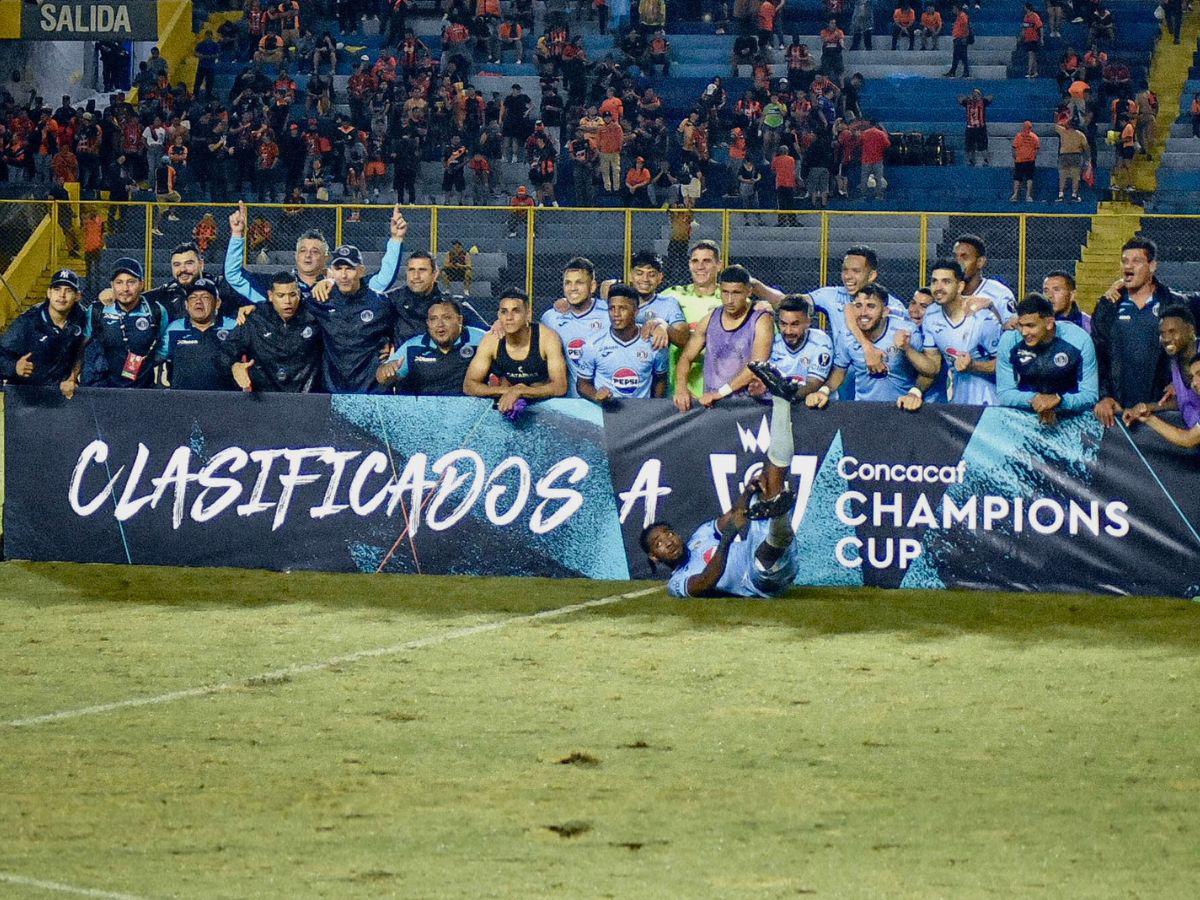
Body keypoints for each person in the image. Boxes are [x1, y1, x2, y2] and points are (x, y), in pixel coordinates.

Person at [641, 388, 801, 598]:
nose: (669, 542)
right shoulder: (677, 583)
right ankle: (779, 520)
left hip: (765, 550)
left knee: (769, 483)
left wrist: (749, 490)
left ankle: (781, 400)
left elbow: (734, 515)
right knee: (762, 560)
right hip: (758, 580)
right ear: (654, 557)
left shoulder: (701, 536)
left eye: (669, 534)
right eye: (659, 543)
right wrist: (727, 539)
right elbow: (706, 582)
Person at [1092, 236, 1200, 426]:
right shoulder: (1107, 307)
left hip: (1163, 409)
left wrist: (1183, 381)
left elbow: (1192, 347)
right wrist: (1104, 396)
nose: (1128, 266)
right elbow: (1098, 355)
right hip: (1118, 408)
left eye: (1136, 261)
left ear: (1152, 266)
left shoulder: (1175, 302)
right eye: (1125, 261)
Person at [224, 201, 406, 305]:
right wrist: (238, 235)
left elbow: (383, 279)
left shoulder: (343, 285)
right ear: (296, 256)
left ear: (326, 258)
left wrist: (396, 240)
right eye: (303, 251)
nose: (307, 255)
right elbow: (234, 275)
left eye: (314, 251)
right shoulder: (277, 286)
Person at [803, 285, 928, 410]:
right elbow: (839, 371)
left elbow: (927, 372)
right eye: (858, 306)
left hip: (902, 409)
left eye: (871, 306)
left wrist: (914, 393)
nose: (863, 312)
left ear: (885, 311)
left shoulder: (907, 332)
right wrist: (823, 391)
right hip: (864, 410)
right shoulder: (847, 335)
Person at [673, 265, 775, 412]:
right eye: (725, 292)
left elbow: (756, 367)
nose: (729, 300)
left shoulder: (761, 320)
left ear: (749, 291)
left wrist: (719, 394)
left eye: (736, 293)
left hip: (747, 407)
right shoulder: (710, 319)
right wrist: (681, 388)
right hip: (712, 405)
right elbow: (686, 357)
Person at [996, 293, 1098, 425]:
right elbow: (1004, 393)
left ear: (1049, 323)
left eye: (1031, 326)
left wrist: (1059, 400)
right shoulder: (1009, 340)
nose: (1024, 332)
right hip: (1024, 419)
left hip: (1071, 419)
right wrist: (1037, 400)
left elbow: (1090, 395)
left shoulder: (1079, 340)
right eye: (1020, 325)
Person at [464, 288, 569, 413]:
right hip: (507, 397)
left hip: (543, 403)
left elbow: (560, 387)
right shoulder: (491, 340)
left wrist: (520, 391)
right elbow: (469, 385)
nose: (509, 317)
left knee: (537, 385)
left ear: (528, 314)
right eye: (504, 312)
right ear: (498, 315)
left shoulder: (547, 338)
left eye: (516, 311)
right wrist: (509, 391)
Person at [915, 259, 1003, 404]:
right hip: (958, 399)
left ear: (960, 286)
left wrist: (973, 366)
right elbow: (933, 365)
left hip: (990, 399)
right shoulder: (930, 316)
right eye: (934, 281)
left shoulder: (983, 318)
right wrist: (915, 391)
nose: (938, 287)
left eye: (946, 282)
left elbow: (1006, 365)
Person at [223, 272, 321, 392]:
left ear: (299, 294)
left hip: (306, 397)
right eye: (281, 295)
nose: (288, 301)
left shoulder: (314, 318)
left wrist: (329, 282)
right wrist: (234, 365)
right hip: (264, 398)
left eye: (292, 295)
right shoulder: (256, 320)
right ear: (270, 295)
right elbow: (224, 352)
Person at [81, 258, 170, 389]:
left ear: (142, 284)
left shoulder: (156, 311)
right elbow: (81, 345)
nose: (125, 288)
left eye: (131, 282)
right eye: (119, 282)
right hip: (102, 390)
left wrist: (147, 362)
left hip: (143, 390)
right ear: (111, 285)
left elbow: (164, 344)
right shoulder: (97, 311)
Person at [0, 269, 87, 398]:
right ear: (49, 293)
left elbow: (83, 351)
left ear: (77, 296)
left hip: (60, 396)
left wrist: (72, 378)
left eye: (68, 290)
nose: (62, 295)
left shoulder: (82, 318)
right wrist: (15, 367)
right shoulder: (28, 322)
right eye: (57, 289)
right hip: (26, 397)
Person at [1122, 307, 1200, 448]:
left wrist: (1149, 418)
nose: (1166, 338)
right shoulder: (1176, 361)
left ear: (1190, 330)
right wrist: (1148, 408)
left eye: (1172, 331)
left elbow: (1189, 440)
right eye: (1162, 333)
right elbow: (1186, 401)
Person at [577, 284, 669, 402]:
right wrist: (596, 395)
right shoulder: (593, 343)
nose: (616, 314)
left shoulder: (654, 343)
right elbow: (582, 384)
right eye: (612, 308)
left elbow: (660, 379)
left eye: (622, 308)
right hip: (605, 414)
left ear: (636, 312)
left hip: (642, 416)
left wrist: (656, 409)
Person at [377, 298, 487, 396]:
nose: (440, 324)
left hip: (467, 413)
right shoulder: (412, 346)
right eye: (433, 319)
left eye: (446, 317)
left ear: (460, 320)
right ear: (428, 323)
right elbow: (382, 377)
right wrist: (385, 372)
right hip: (421, 413)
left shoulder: (481, 340)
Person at [540, 257, 610, 398]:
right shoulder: (550, 318)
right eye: (568, 283)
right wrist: (499, 324)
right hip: (571, 406)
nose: (572, 288)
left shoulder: (610, 313)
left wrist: (657, 324)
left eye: (579, 283)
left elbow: (641, 322)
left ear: (592, 286)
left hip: (607, 402)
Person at [158, 278, 239, 391]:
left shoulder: (234, 327)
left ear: (217, 303)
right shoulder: (173, 328)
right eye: (193, 297)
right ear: (186, 304)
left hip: (224, 400)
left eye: (205, 297)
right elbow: (158, 359)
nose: (198, 301)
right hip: (183, 400)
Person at [749, 294, 833, 402]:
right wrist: (759, 389)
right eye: (783, 324)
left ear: (808, 322)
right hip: (781, 406)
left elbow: (813, 384)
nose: (788, 331)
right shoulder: (773, 342)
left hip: (813, 409)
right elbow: (761, 382)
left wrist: (788, 395)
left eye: (794, 325)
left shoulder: (821, 342)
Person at [955, 233, 1018, 325]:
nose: (958, 262)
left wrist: (992, 309)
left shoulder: (1000, 293)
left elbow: (1013, 330)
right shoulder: (946, 293)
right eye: (956, 257)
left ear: (980, 262)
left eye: (964, 257)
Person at [960, 88, 992, 166]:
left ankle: (985, 160)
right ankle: (970, 160)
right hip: (970, 127)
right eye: (973, 94)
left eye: (976, 94)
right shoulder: (967, 103)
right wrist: (967, 98)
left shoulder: (982, 102)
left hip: (980, 128)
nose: (974, 96)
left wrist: (980, 98)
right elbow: (959, 98)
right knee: (969, 146)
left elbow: (991, 97)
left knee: (982, 146)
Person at [1010, 121, 1040, 202]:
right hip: (1030, 160)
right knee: (1029, 178)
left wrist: (1015, 157)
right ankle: (1028, 196)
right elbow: (1037, 149)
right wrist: (1033, 157)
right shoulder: (1034, 137)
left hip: (1019, 160)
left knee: (1017, 178)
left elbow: (1014, 147)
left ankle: (1015, 195)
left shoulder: (1018, 136)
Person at [945, 4, 971, 78]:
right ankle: (954, 71)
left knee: (961, 56)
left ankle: (961, 72)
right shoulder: (959, 16)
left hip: (961, 39)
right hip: (958, 38)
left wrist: (964, 37)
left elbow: (965, 26)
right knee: (958, 56)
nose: (953, 10)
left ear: (957, 8)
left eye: (954, 8)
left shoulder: (962, 16)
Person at [1021, 3, 1043, 79]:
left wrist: (1041, 38)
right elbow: (1024, 28)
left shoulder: (1034, 16)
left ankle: (1029, 72)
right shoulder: (1026, 17)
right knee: (1033, 56)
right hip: (1027, 39)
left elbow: (1040, 27)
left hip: (1034, 38)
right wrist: (1022, 37)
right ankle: (1035, 72)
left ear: (1027, 8)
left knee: (1031, 56)